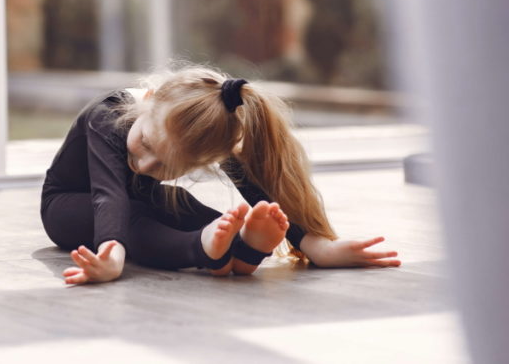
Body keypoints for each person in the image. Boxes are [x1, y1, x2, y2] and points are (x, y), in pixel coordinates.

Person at [40, 64, 400, 284]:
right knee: (136, 213)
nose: (146, 167)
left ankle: (241, 252)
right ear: (147, 100)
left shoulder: (208, 129)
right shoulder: (105, 116)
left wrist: (316, 245)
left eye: (167, 165)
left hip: (133, 204)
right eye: (147, 144)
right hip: (66, 207)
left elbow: (261, 186)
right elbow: (110, 196)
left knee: (179, 201)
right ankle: (201, 248)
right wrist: (111, 257)